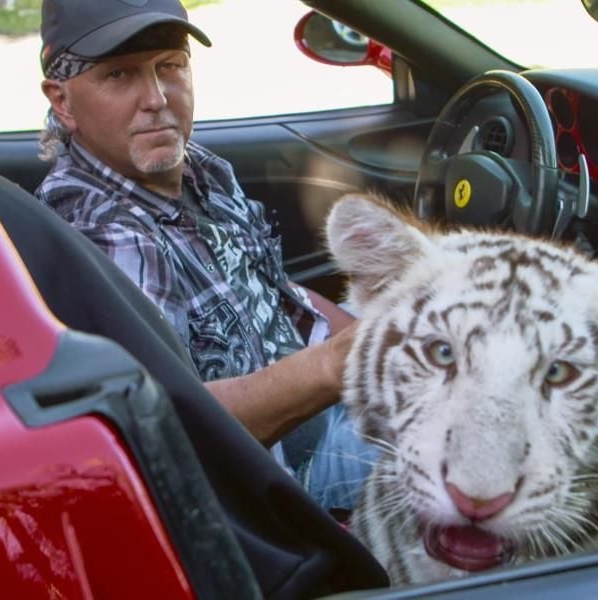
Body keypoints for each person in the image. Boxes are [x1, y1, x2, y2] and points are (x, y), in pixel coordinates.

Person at [35, 0, 379, 511]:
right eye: (119, 75)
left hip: (317, 405)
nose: (156, 99)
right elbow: (175, 427)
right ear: (62, 101)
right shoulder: (109, 234)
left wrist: (369, 337)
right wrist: (342, 363)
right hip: (285, 480)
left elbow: (272, 291)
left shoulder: (199, 170)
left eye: (170, 65)